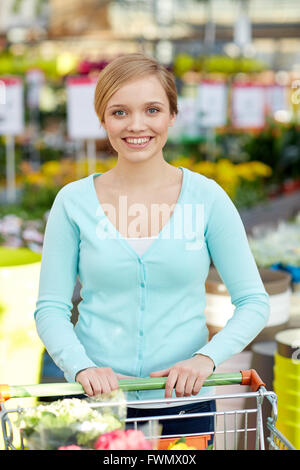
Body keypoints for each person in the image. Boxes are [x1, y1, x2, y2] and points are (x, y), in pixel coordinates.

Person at [34, 53, 270, 442]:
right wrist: (81, 368)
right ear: (102, 119)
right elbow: (51, 308)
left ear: (172, 115)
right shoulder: (73, 202)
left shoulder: (206, 199)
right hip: (98, 405)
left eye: (153, 109)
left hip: (185, 404)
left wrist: (204, 359)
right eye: (120, 112)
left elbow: (254, 302)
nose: (136, 125)